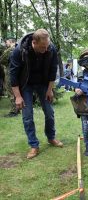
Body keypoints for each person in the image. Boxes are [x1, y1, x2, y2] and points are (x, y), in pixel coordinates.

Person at [9, 29, 63, 159]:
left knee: (49, 112)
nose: (46, 49)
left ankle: (51, 138)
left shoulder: (51, 49)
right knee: (27, 116)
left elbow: (52, 70)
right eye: (43, 47)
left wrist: (50, 90)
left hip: (43, 83)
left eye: (47, 46)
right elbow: (13, 75)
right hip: (26, 84)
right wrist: (18, 96)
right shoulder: (19, 51)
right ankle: (34, 145)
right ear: (34, 42)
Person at [1, 36, 20, 117]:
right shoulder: (18, 48)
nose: (6, 43)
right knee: (15, 92)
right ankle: (17, 109)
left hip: (10, 72)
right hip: (16, 72)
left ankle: (14, 111)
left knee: (11, 92)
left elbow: (2, 60)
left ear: (11, 41)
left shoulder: (10, 50)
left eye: (7, 42)